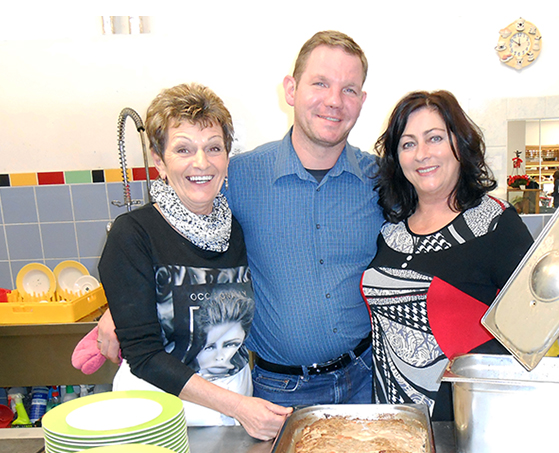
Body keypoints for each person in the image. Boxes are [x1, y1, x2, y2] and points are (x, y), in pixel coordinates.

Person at [96, 31, 384, 408]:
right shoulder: (239, 177)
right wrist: (120, 307)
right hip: (280, 391)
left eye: (349, 89)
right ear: (291, 89)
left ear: (361, 101)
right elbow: (185, 229)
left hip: (367, 378)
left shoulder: (380, 181)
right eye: (320, 83)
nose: (333, 100)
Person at [98, 83, 291, 441]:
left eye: (213, 148)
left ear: (226, 157)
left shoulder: (235, 229)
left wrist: (237, 406)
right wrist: (236, 406)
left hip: (235, 401)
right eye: (183, 149)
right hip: (158, 414)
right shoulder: (133, 233)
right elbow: (145, 356)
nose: (201, 162)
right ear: (159, 160)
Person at [360, 90, 535, 421]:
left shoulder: (494, 222)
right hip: (393, 417)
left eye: (435, 138)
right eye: (408, 144)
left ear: (460, 145)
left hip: (462, 420)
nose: (422, 154)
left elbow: (541, 319)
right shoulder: (392, 231)